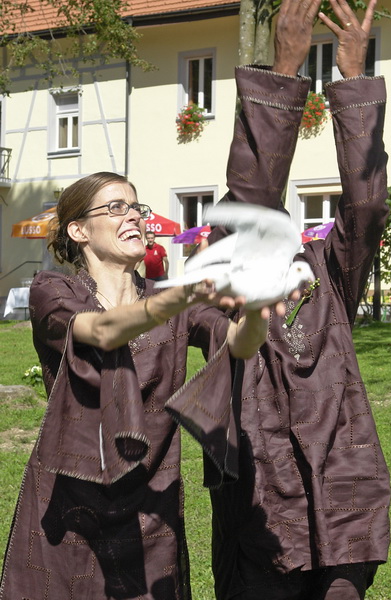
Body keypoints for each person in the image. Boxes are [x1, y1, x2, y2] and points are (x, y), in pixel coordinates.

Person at [169, 0, 391, 598]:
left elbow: (366, 209)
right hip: (264, 507)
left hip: (344, 494)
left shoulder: (329, 276)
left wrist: (352, 81)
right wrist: (285, 74)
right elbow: (252, 196)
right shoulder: (211, 295)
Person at [0, 171, 288, 600]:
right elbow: (103, 331)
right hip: (71, 507)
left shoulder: (169, 299)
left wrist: (258, 312)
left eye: (136, 207)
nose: (134, 215)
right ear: (79, 230)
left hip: (150, 509)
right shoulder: (54, 290)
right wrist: (183, 294)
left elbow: (236, 343)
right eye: (116, 207)